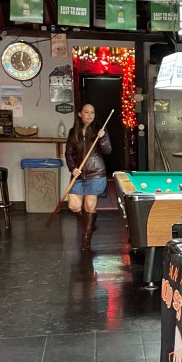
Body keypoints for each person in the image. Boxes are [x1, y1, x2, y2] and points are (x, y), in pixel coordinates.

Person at [65, 103, 112, 251]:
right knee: (73, 205)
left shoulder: (100, 130)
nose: (90, 115)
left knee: (89, 206)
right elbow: (69, 153)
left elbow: (108, 150)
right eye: (86, 112)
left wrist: (103, 138)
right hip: (79, 175)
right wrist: (73, 169)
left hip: (96, 173)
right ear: (80, 114)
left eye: (92, 112)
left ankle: (85, 243)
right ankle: (89, 224)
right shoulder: (74, 132)